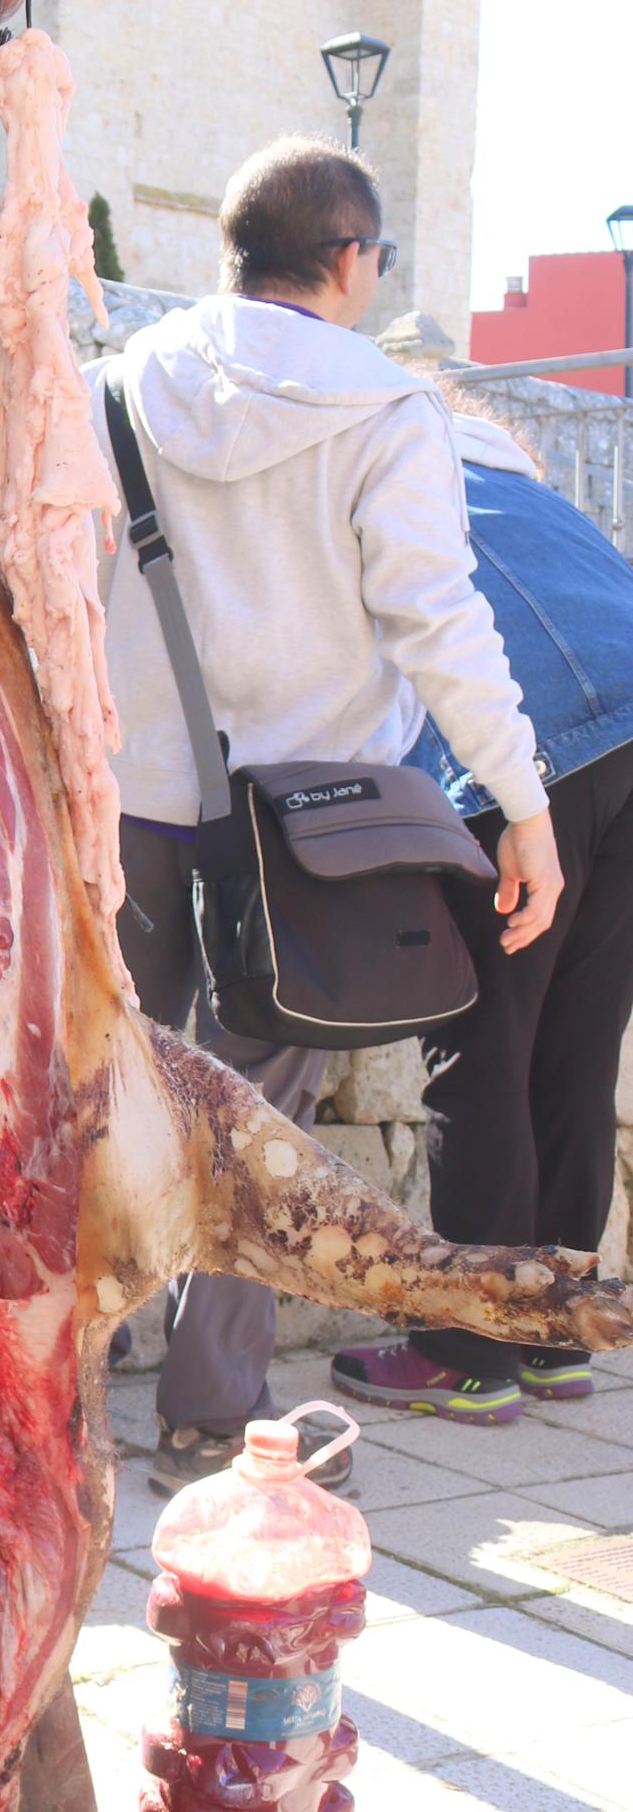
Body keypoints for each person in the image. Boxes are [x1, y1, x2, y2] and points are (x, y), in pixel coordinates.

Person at [90, 136, 561, 1496]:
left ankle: (46, 1402)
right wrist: (517, 805)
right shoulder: (389, 410)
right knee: (251, 1127)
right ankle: (207, 1415)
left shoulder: (114, 386)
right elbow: (439, 622)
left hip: (126, 806)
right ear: (352, 262)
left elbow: (46, 579)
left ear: (231, 252)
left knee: (93, 1097)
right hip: (306, 836)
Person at [332, 412, 633, 1420]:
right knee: (579, 1051)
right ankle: (556, 1334)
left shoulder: (367, 458)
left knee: (485, 1047)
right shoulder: (523, 478)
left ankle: (469, 1350)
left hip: (519, 753)